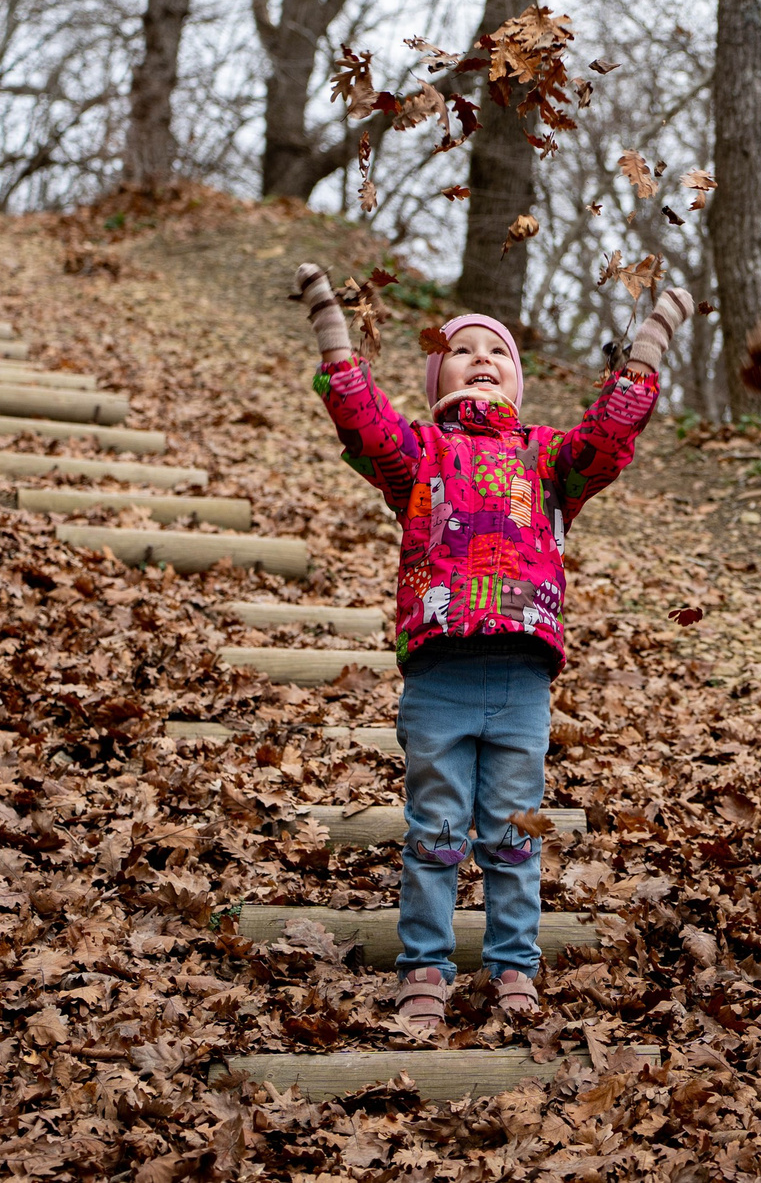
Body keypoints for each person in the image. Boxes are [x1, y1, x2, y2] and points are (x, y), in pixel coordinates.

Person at [293, 265, 692, 1041]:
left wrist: (645, 351)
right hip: (440, 674)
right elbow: (362, 420)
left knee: (512, 835)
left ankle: (513, 962)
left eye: (497, 351)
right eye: (462, 348)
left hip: (520, 678)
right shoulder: (419, 452)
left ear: (519, 379)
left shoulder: (545, 458)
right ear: (434, 374)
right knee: (436, 830)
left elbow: (608, 439)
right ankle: (425, 966)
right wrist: (335, 338)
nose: (480, 357)